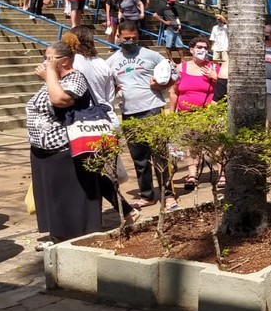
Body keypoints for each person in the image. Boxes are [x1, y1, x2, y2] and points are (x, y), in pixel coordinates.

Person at [26, 41, 102, 247]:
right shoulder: (54, 78)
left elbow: (60, 100)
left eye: (49, 59)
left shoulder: (75, 78)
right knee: (50, 196)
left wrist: (49, 74)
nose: (45, 62)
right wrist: (50, 75)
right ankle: (57, 234)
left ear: (65, 61)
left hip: (63, 147)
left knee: (69, 195)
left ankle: (75, 235)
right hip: (42, 149)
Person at [107, 21, 180, 211]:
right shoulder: (112, 61)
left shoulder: (152, 56)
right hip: (129, 113)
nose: (130, 41)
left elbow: (175, 76)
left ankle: (169, 195)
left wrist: (161, 85)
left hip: (153, 109)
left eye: (134, 38)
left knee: (160, 155)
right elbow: (108, 87)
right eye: (126, 38)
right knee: (139, 158)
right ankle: (147, 195)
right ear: (119, 37)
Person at [69, 27, 137, 222]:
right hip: (106, 120)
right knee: (104, 170)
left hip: (83, 124)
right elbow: (109, 96)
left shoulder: (73, 63)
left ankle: (100, 214)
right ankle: (112, 211)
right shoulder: (102, 64)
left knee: (90, 172)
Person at [169, 37, 220, 189]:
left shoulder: (214, 68)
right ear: (191, 49)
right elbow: (174, 92)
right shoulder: (181, 68)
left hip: (209, 114)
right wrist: (172, 114)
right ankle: (192, 174)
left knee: (216, 144)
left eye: (205, 47)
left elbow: (224, 89)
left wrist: (215, 77)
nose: (202, 50)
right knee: (192, 145)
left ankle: (221, 173)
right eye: (199, 47)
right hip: (187, 114)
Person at [157, 0, 185, 64]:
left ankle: (182, 60)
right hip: (168, 29)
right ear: (168, 1)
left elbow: (176, 17)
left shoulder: (174, 9)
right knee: (168, 45)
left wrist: (179, 24)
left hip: (176, 28)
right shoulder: (163, 9)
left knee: (180, 45)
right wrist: (164, 22)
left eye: (174, 1)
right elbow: (155, 15)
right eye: (172, 1)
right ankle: (171, 60)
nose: (173, 2)